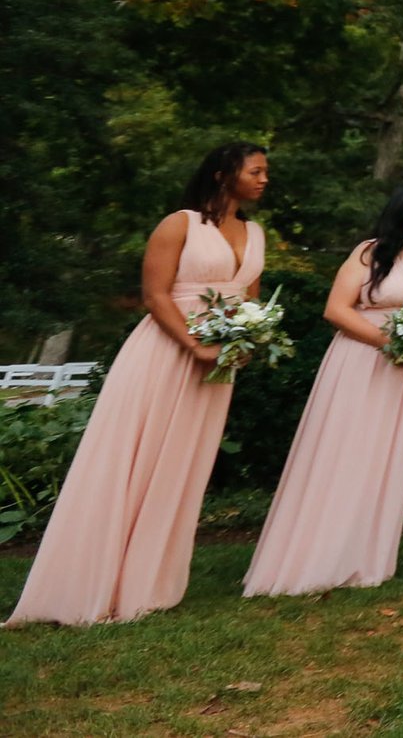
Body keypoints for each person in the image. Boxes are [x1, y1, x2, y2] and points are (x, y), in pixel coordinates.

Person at [8, 143, 269, 627]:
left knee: (182, 464)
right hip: (166, 353)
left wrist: (246, 340)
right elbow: (154, 295)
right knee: (136, 456)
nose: (263, 179)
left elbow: (248, 299)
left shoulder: (254, 233)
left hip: (217, 365)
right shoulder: (180, 223)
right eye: (255, 170)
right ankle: (91, 580)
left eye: (264, 172)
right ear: (221, 174)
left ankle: (147, 580)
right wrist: (193, 344)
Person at [245, 182, 403, 596]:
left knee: (386, 455)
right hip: (363, 360)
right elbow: (336, 309)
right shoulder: (371, 251)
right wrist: (388, 342)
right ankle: (316, 556)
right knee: (347, 451)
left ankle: (364, 557)